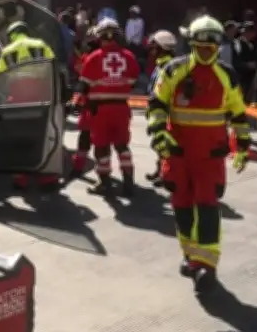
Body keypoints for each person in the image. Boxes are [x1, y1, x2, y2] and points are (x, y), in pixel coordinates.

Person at [147, 15, 251, 294]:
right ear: (192, 44)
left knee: (207, 207)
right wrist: (158, 133)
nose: (206, 52)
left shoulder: (226, 74)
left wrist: (243, 145)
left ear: (218, 46)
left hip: (210, 157)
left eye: (211, 47)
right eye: (201, 46)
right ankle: (190, 256)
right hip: (177, 153)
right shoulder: (173, 70)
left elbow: (238, 112)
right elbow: (157, 103)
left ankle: (207, 266)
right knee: (181, 207)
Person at [73, 17, 140, 197]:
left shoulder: (94, 57)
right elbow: (133, 81)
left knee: (101, 146)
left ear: (99, 36)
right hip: (121, 108)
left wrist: (75, 104)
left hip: (100, 109)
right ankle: (128, 182)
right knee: (122, 145)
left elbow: (83, 86)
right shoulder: (129, 56)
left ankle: (105, 183)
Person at [0, 21, 59, 190]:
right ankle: (47, 179)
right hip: (42, 97)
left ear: (11, 35)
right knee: (46, 137)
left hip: (19, 100)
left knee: (19, 139)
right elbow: (53, 66)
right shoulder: (40, 44)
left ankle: (20, 178)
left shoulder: (7, 51)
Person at [143, 30, 177, 187]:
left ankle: (166, 174)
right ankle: (160, 171)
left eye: (154, 47)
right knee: (158, 144)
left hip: (166, 113)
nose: (151, 51)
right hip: (158, 111)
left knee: (163, 144)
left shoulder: (169, 67)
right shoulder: (162, 65)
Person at [68, 26, 99, 179]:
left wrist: (76, 102)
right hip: (104, 104)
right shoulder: (110, 57)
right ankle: (104, 175)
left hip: (90, 104)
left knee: (85, 137)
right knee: (102, 141)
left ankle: (78, 168)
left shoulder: (90, 58)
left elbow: (82, 79)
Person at [233, 21, 257, 101]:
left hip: (249, 76)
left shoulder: (251, 44)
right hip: (240, 76)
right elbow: (235, 61)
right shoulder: (237, 44)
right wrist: (247, 65)